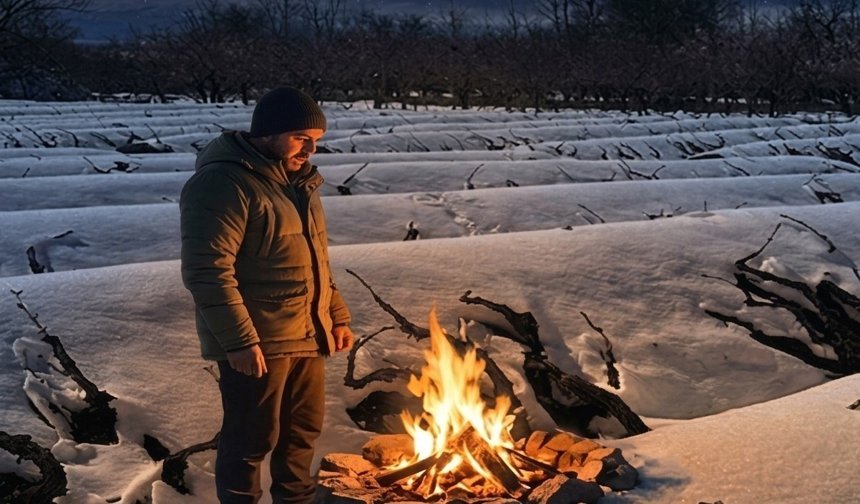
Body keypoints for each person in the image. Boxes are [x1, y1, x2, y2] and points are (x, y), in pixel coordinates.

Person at [179, 86, 354, 504]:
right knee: (250, 440)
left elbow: (315, 261)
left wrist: (337, 316)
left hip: (307, 334)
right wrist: (239, 341)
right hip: (258, 340)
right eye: (300, 138)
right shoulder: (222, 184)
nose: (311, 150)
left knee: (302, 435)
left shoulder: (298, 184)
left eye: (316, 141)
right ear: (268, 133)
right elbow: (207, 271)